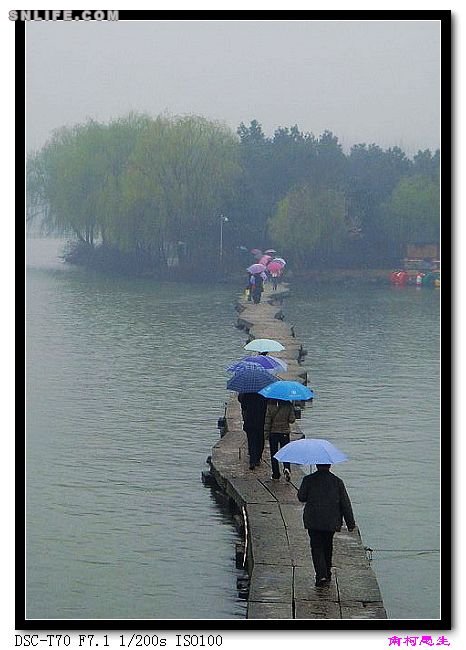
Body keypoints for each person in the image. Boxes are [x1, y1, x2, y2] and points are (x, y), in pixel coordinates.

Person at [297, 464, 355, 587]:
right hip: (331, 521)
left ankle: (321, 575)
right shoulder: (337, 482)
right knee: (328, 546)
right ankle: (327, 572)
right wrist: (350, 523)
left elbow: (301, 497)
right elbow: (345, 503)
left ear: (317, 465)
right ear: (329, 465)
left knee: (316, 546)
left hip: (313, 520)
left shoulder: (308, 479)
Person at [263, 398, 295, 481]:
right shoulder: (288, 405)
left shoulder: (270, 405)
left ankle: (275, 474)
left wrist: (266, 434)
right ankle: (286, 468)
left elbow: (267, 421)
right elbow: (292, 420)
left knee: (274, 453)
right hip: (285, 433)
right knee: (285, 452)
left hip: (273, 432)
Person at [238, 392, 268, 470]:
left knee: (251, 441)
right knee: (260, 439)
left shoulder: (246, 393)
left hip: (249, 420)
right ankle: (258, 458)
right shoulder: (264, 394)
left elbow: (243, 405)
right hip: (261, 421)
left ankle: (252, 460)